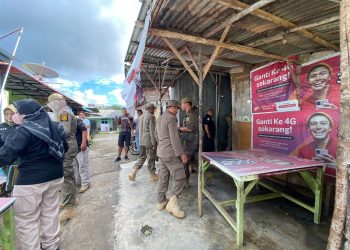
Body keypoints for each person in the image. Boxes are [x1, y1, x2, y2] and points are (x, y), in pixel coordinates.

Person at [0, 99, 67, 250]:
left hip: (31, 181)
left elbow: (5, 155)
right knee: (50, 213)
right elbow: (65, 147)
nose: (15, 116)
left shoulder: (23, 130)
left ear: (26, 114)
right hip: (55, 176)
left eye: (17, 112)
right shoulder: (55, 127)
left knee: (26, 219)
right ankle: (51, 245)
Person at [47, 93, 78, 223]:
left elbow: (63, 131)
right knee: (68, 176)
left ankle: (69, 208)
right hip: (67, 146)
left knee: (66, 176)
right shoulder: (64, 112)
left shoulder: (64, 113)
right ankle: (69, 200)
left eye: (51, 103)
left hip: (67, 147)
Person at [156, 100, 188, 219]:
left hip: (161, 152)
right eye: (177, 108)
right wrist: (181, 154)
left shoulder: (160, 118)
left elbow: (156, 135)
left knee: (163, 177)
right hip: (170, 153)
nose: (178, 111)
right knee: (180, 176)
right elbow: (174, 139)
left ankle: (161, 201)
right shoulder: (171, 119)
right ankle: (173, 204)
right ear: (173, 107)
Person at [129, 103, 158, 182]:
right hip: (149, 141)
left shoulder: (140, 117)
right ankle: (152, 175)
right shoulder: (151, 117)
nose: (154, 110)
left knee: (142, 157)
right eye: (153, 109)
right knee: (151, 158)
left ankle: (133, 171)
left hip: (141, 141)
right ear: (150, 109)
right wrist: (154, 143)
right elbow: (152, 131)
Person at [179, 97, 198, 188]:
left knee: (185, 161)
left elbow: (190, 128)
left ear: (186, 104)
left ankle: (185, 182)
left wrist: (178, 129)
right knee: (187, 162)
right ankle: (185, 181)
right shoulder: (188, 114)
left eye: (182, 104)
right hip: (188, 140)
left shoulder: (191, 115)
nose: (181, 106)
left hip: (191, 141)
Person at [73, 113, 90, 193]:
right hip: (72, 149)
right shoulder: (62, 121)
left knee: (82, 166)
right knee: (75, 167)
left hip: (81, 146)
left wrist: (84, 142)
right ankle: (78, 182)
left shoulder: (75, 119)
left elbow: (84, 130)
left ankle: (85, 183)